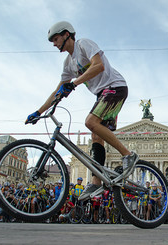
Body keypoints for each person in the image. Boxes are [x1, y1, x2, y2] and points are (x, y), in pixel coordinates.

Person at [25, 21, 139, 201]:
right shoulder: (68, 63)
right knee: (95, 136)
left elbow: (98, 65)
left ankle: (128, 155)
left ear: (66, 35)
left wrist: (74, 83)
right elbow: (57, 91)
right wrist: (38, 112)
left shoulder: (83, 44)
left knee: (90, 122)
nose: (54, 44)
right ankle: (96, 182)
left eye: (56, 39)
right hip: (102, 93)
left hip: (115, 87)